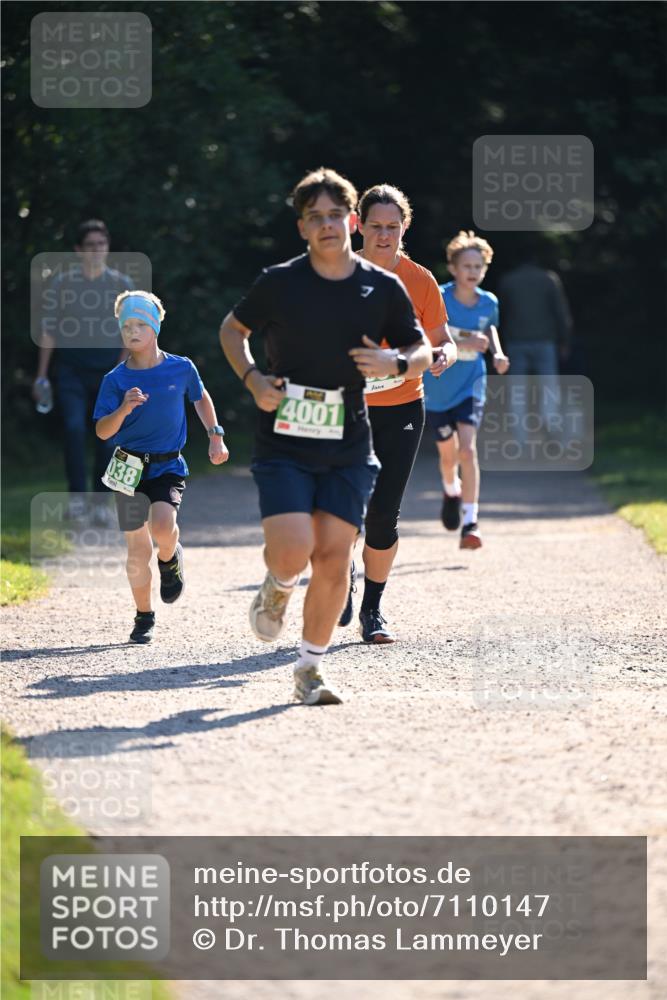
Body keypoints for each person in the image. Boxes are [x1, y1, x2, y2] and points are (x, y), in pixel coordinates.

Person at [219, 167, 431, 706]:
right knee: (294, 549)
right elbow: (232, 329)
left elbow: (423, 350)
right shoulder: (280, 281)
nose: (328, 224)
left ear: (351, 220)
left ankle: (309, 669)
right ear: (302, 227)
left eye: (336, 214)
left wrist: (397, 359)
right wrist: (252, 379)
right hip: (286, 436)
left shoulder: (382, 286)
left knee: (335, 557)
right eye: (316, 217)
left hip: (348, 439)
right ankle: (279, 585)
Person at [338, 183, 457, 643]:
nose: (384, 235)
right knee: (342, 510)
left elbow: (440, 338)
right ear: (359, 226)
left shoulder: (420, 279)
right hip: (345, 408)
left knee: (383, 515)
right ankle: (338, 578)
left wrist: (443, 354)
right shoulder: (337, 274)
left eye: (393, 227)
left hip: (403, 406)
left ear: (403, 228)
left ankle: (373, 610)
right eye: (375, 226)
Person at [94, 290, 229, 644]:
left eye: (140, 324)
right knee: (137, 547)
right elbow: (102, 429)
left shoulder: (181, 367)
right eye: (126, 326)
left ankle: (170, 560)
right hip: (127, 467)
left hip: (168, 465)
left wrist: (215, 436)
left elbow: (200, 398)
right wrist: (123, 409)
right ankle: (143, 616)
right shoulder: (115, 379)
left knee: (164, 525)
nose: (132, 332)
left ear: (154, 327)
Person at [33, 219, 134, 524]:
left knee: (108, 439)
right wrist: (41, 375)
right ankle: (77, 500)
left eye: (100, 245)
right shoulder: (62, 284)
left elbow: (130, 333)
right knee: (75, 430)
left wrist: (122, 370)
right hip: (71, 373)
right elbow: (49, 330)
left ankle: (102, 503)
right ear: (78, 250)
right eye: (89, 245)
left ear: (108, 248)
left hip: (109, 375)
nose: (95, 250)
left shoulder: (122, 284)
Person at [423, 230, 509, 549]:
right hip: (437, 384)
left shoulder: (489, 302)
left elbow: (490, 328)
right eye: (467, 266)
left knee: (467, 449)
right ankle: (450, 489)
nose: (473, 272)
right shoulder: (439, 297)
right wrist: (462, 342)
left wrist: (497, 352)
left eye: (479, 267)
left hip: (472, 383)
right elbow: (426, 337)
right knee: (448, 456)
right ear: (454, 268)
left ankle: (471, 522)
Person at [498, 258, 573, 443]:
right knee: (549, 389)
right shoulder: (549, 279)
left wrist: (498, 346)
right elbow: (561, 312)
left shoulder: (508, 281)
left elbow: (500, 314)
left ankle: (520, 439)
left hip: (515, 342)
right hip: (545, 342)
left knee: (518, 391)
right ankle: (551, 427)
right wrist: (565, 340)